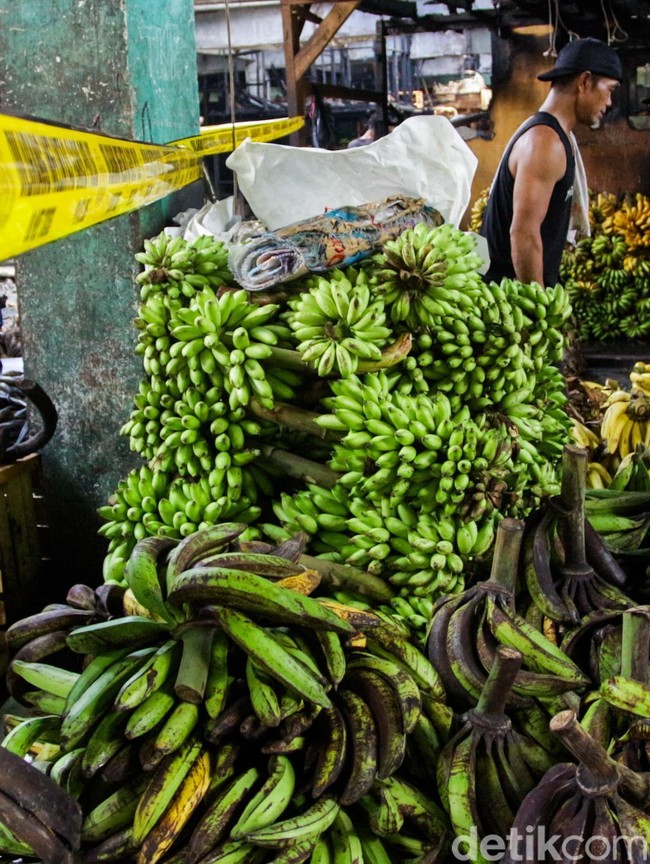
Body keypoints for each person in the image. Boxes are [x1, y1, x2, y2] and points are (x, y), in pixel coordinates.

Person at [480, 37, 622, 288]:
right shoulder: (545, 142)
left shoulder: (555, 135)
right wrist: (539, 305)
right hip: (507, 297)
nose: (609, 102)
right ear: (584, 81)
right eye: (609, 90)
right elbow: (523, 234)